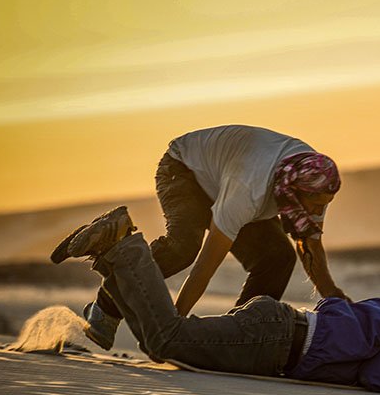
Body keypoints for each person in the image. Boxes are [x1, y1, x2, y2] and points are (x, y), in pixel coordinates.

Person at [53, 207, 380, 394]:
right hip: (276, 341)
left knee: (164, 342)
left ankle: (116, 252)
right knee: (168, 342)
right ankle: (125, 245)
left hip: (281, 328)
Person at [52, 125, 348, 351]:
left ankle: (239, 337)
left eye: (326, 203)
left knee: (278, 258)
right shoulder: (248, 190)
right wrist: (172, 331)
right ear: (295, 190)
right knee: (185, 248)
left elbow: (309, 247)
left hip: (225, 174)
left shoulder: (311, 179)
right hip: (184, 168)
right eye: (317, 204)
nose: (321, 210)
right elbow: (205, 268)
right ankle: (105, 306)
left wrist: (336, 300)